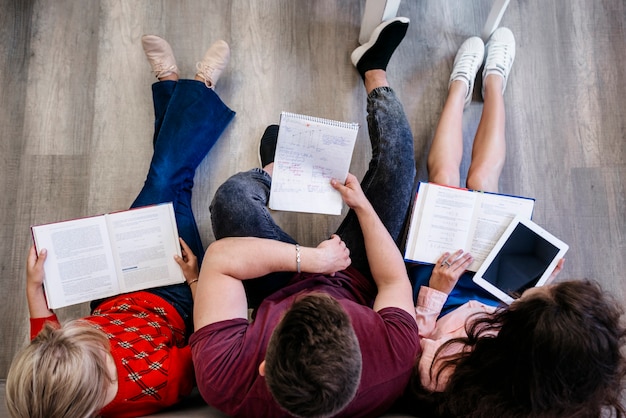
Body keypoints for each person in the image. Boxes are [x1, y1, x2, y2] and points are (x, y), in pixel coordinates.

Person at [189, 17, 419, 418]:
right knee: (399, 167)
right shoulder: (396, 360)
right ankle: (373, 69)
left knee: (231, 199)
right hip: (355, 276)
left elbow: (221, 260)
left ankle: (277, 170)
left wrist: (310, 261)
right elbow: (392, 279)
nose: (318, 290)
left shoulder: (222, 382)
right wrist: (362, 207)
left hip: (277, 284)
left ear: (264, 366)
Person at [5, 35, 235, 418]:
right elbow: (208, 342)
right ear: (96, 381)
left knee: (173, 183)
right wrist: (197, 281)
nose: (68, 328)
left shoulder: (48, 373)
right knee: (165, 182)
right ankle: (193, 88)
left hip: (113, 289)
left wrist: (33, 283)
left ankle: (176, 87)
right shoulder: (156, 382)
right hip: (174, 293)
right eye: (88, 338)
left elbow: (42, 327)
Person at [402, 28, 626, 417]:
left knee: (445, 184)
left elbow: (410, 340)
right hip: (492, 296)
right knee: (486, 185)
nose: (536, 290)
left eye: (538, 296)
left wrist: (436, 293)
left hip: (438, 296)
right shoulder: (555, 366)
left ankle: (459, 87)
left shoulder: (451, 374)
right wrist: (537, 286)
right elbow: (532, 313)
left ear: (526, 331)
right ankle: (493, 84)